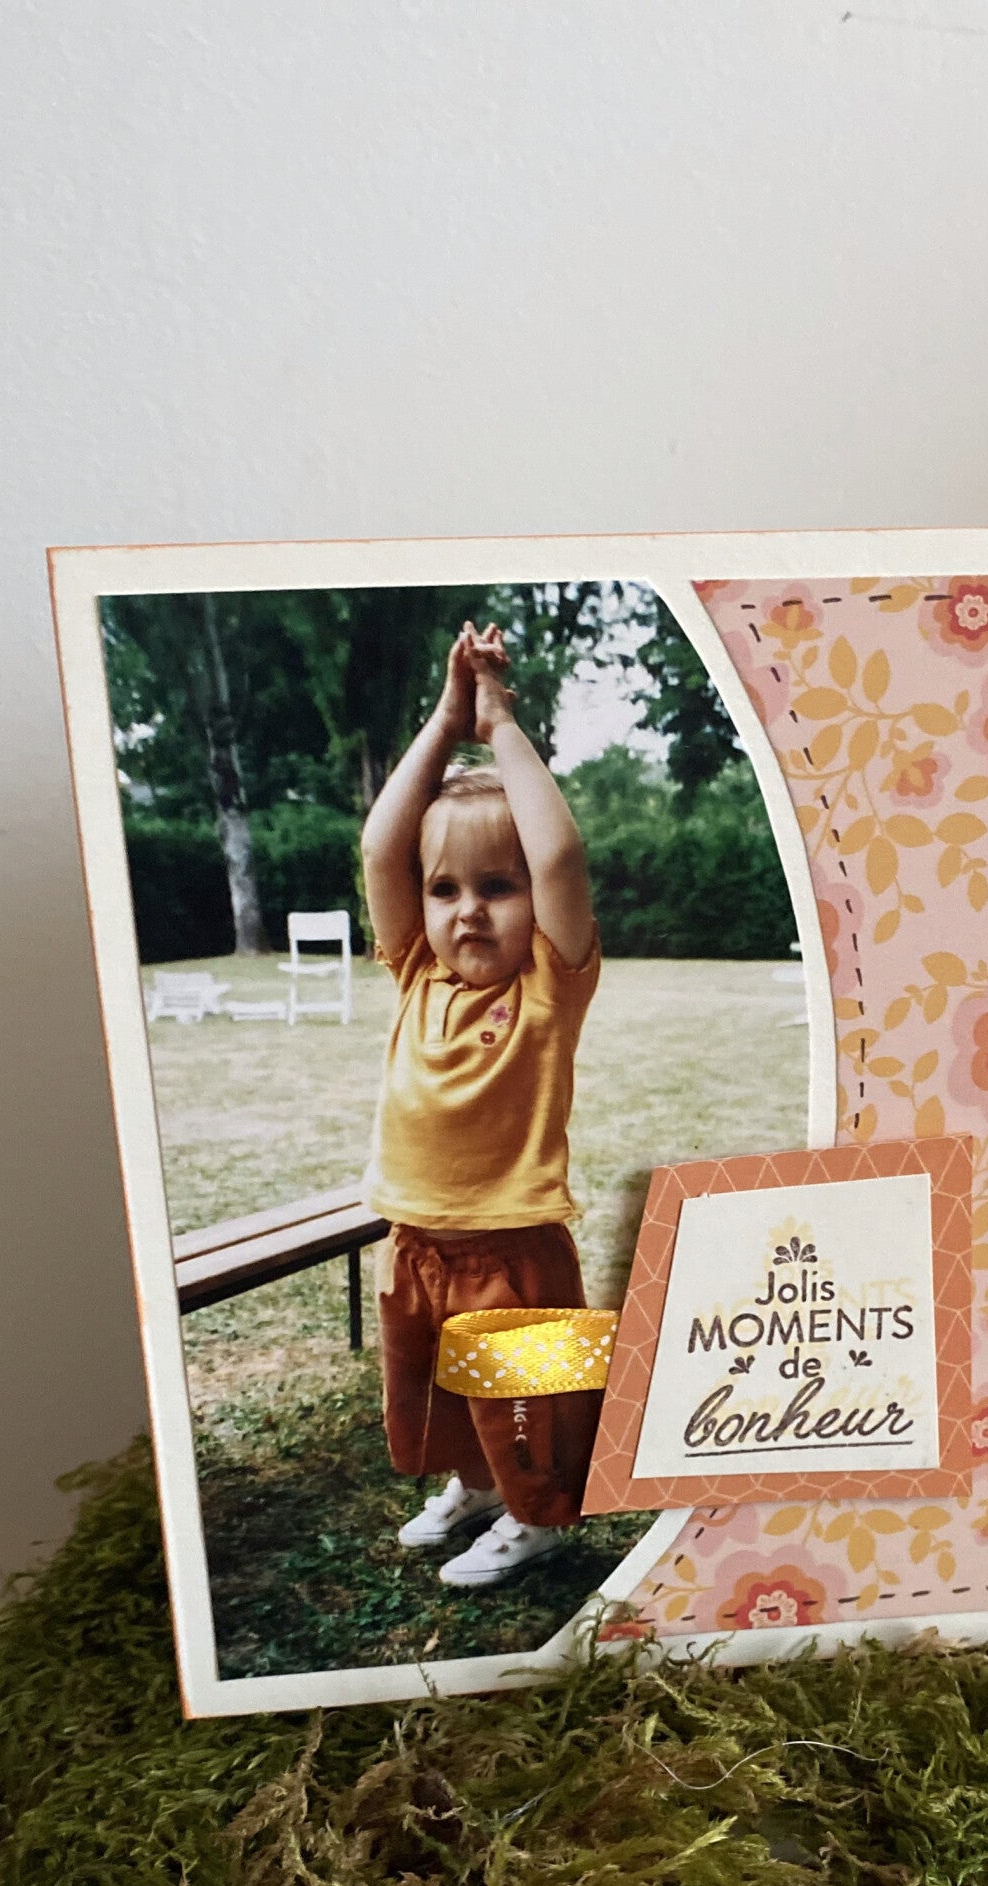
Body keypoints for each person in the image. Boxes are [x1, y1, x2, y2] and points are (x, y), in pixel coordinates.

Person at [359, 623, 603, 1588]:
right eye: (446, 889)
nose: (468, 910)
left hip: (512, 1248)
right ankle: (480, 1487)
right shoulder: (413, 970)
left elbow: (562, 858)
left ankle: (539, 1516)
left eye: (497, 888)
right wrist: (442, 720)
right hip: (417, 1241)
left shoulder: (548, 982)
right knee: (445, 1396)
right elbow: (382, 846)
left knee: (526, 1405)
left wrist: (497, 723)